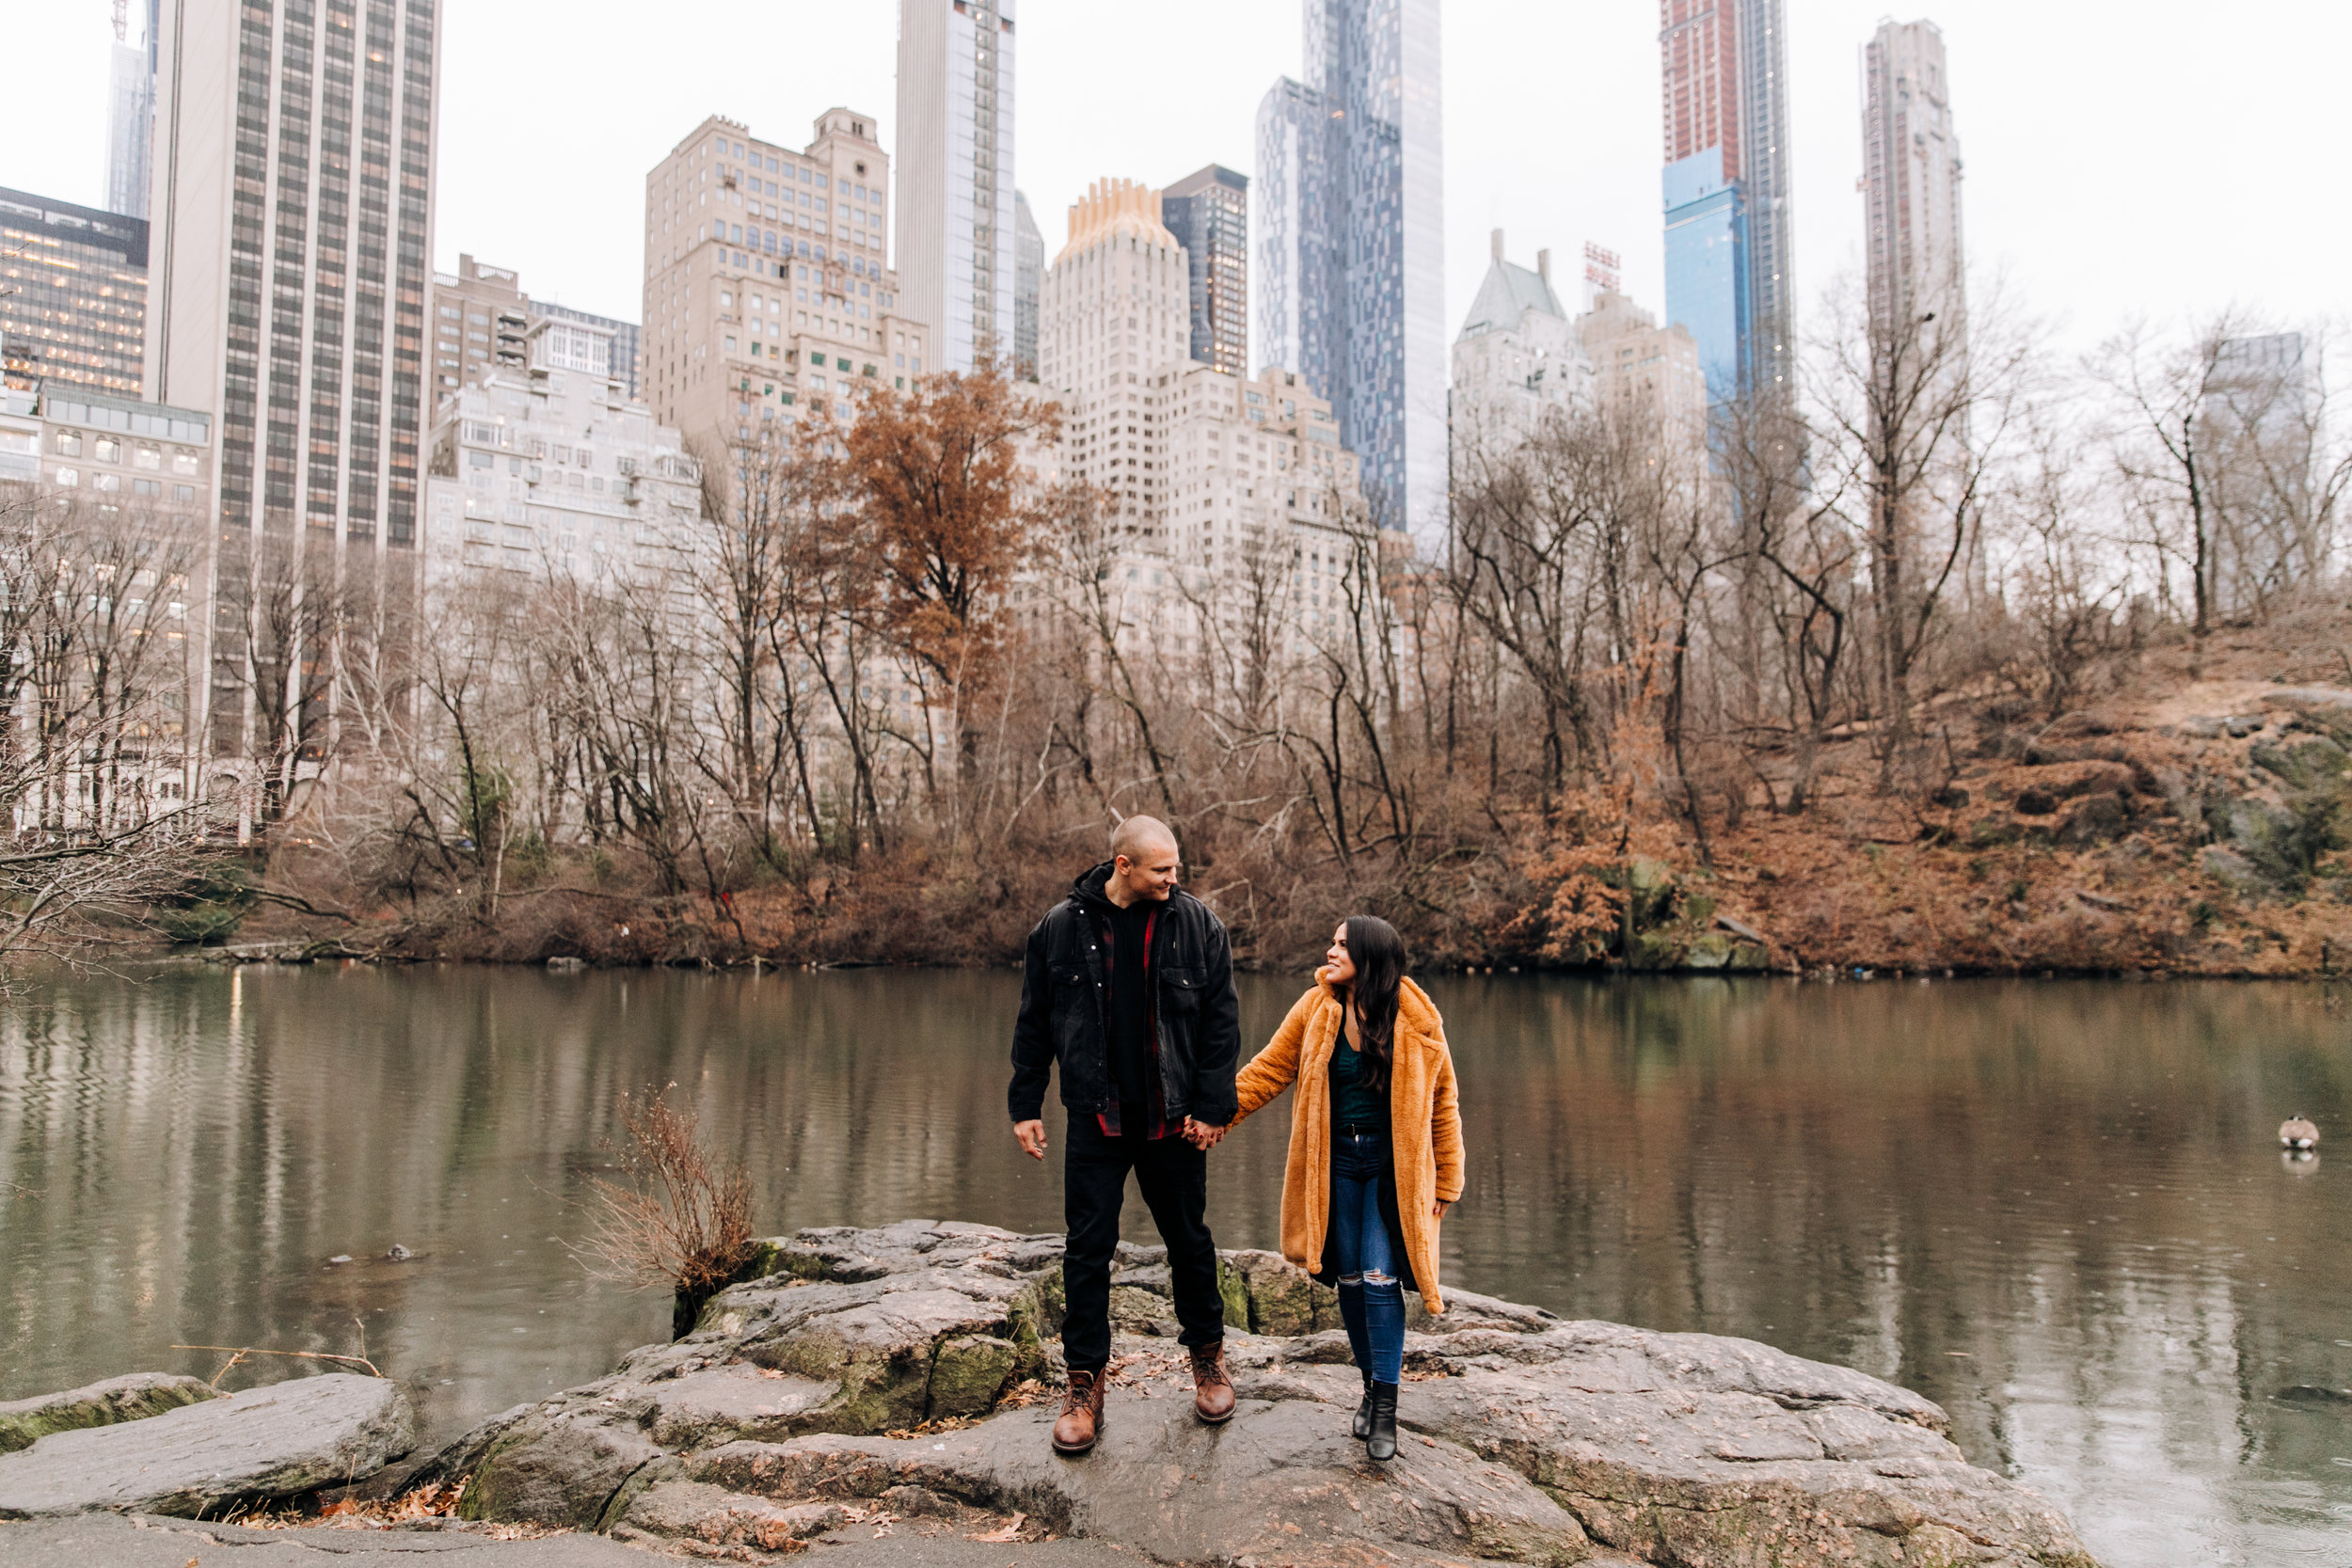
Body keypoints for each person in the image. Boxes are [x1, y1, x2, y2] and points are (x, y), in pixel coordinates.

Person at [1008, 816, 1242, 1457]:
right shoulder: (1059, 929)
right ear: (1123, 865)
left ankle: (1209, 1361)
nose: (1175, 879)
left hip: (1174, 1119)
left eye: (1176, 868)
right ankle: (1083, 1387)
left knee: (1189, 1241)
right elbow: (1034, 1021)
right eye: (1163, 869)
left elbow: (1222, 1021)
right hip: (1096, 1117)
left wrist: (1215, 1105)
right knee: (1086, 1250)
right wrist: (1025, 1103)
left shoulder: (1198, 926)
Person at [1202, 915, 1463, 1462]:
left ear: (1369, 955)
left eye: (1342, 944)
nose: (1330, 950)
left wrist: (1448, 1177)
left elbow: (1443, 1102)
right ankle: (1370, 1387)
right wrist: (1215, 1113)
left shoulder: (1416, 1017)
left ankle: (1387, 1408)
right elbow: (1270, 1069)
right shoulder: (1316, 1009)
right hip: (1335, 1162)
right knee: (1346, 1277)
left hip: (1393, 1169)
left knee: (1378, 1276)